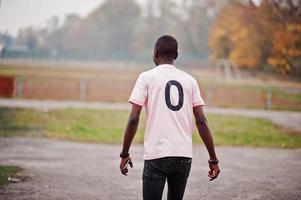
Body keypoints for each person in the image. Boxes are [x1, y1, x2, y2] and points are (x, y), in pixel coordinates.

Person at [119, 35, 220, 200]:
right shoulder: (190, 81)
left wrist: (124, 154)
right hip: (183, 155)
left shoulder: (146, 77)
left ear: (155, 53)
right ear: (176, 55)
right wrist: (213, 159)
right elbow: (201, 121)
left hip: (156, 154)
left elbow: (133, 118)